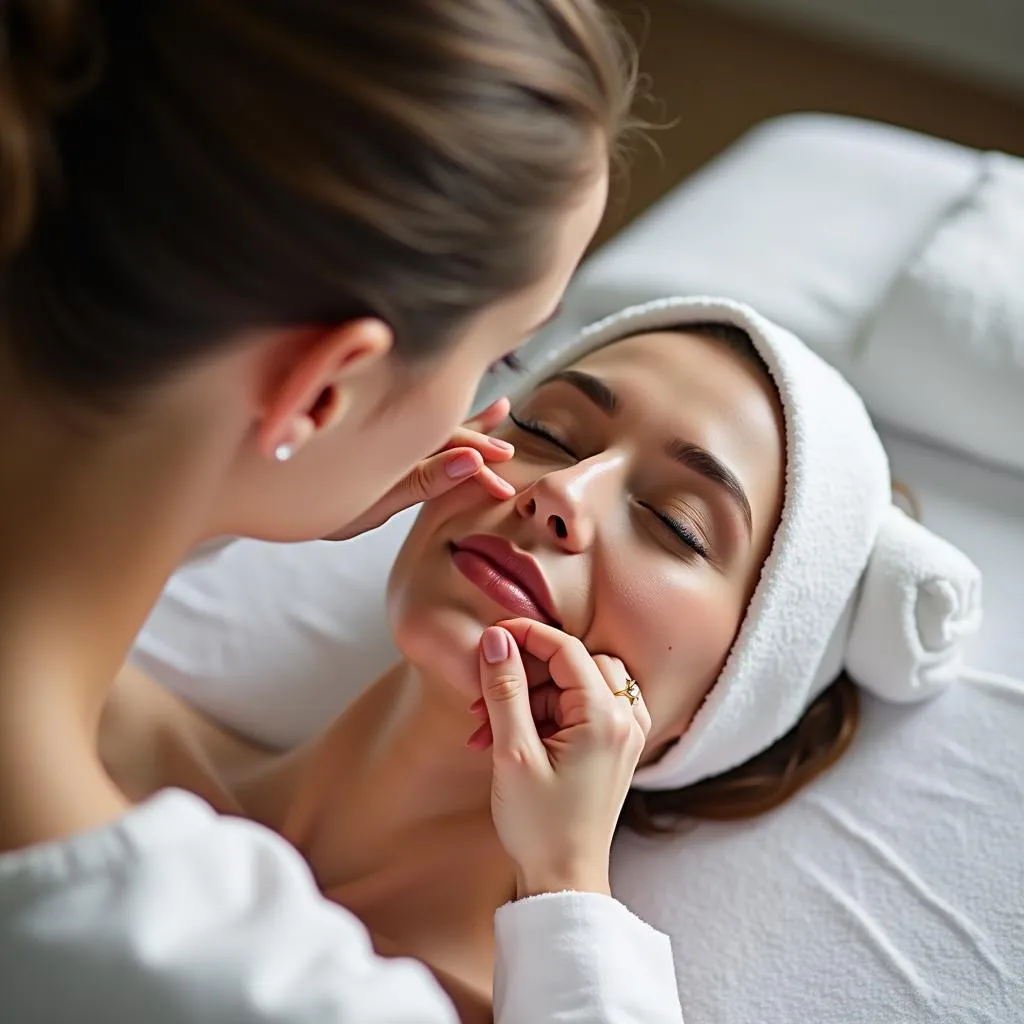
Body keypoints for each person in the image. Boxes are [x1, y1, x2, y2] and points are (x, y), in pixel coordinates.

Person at [0, 2, 689, 1022]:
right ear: (327, 385)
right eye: (503, 365)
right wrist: (567, 891)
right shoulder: (214, 973)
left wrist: (219, 491)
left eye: (679, 523)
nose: (554, 496)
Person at [98, 297, 914, 1021]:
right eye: (546, 432)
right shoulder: (86, 717)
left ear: (711, 711)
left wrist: (565, 879)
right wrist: (224, 510)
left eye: (678, 524)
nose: (563, 492)